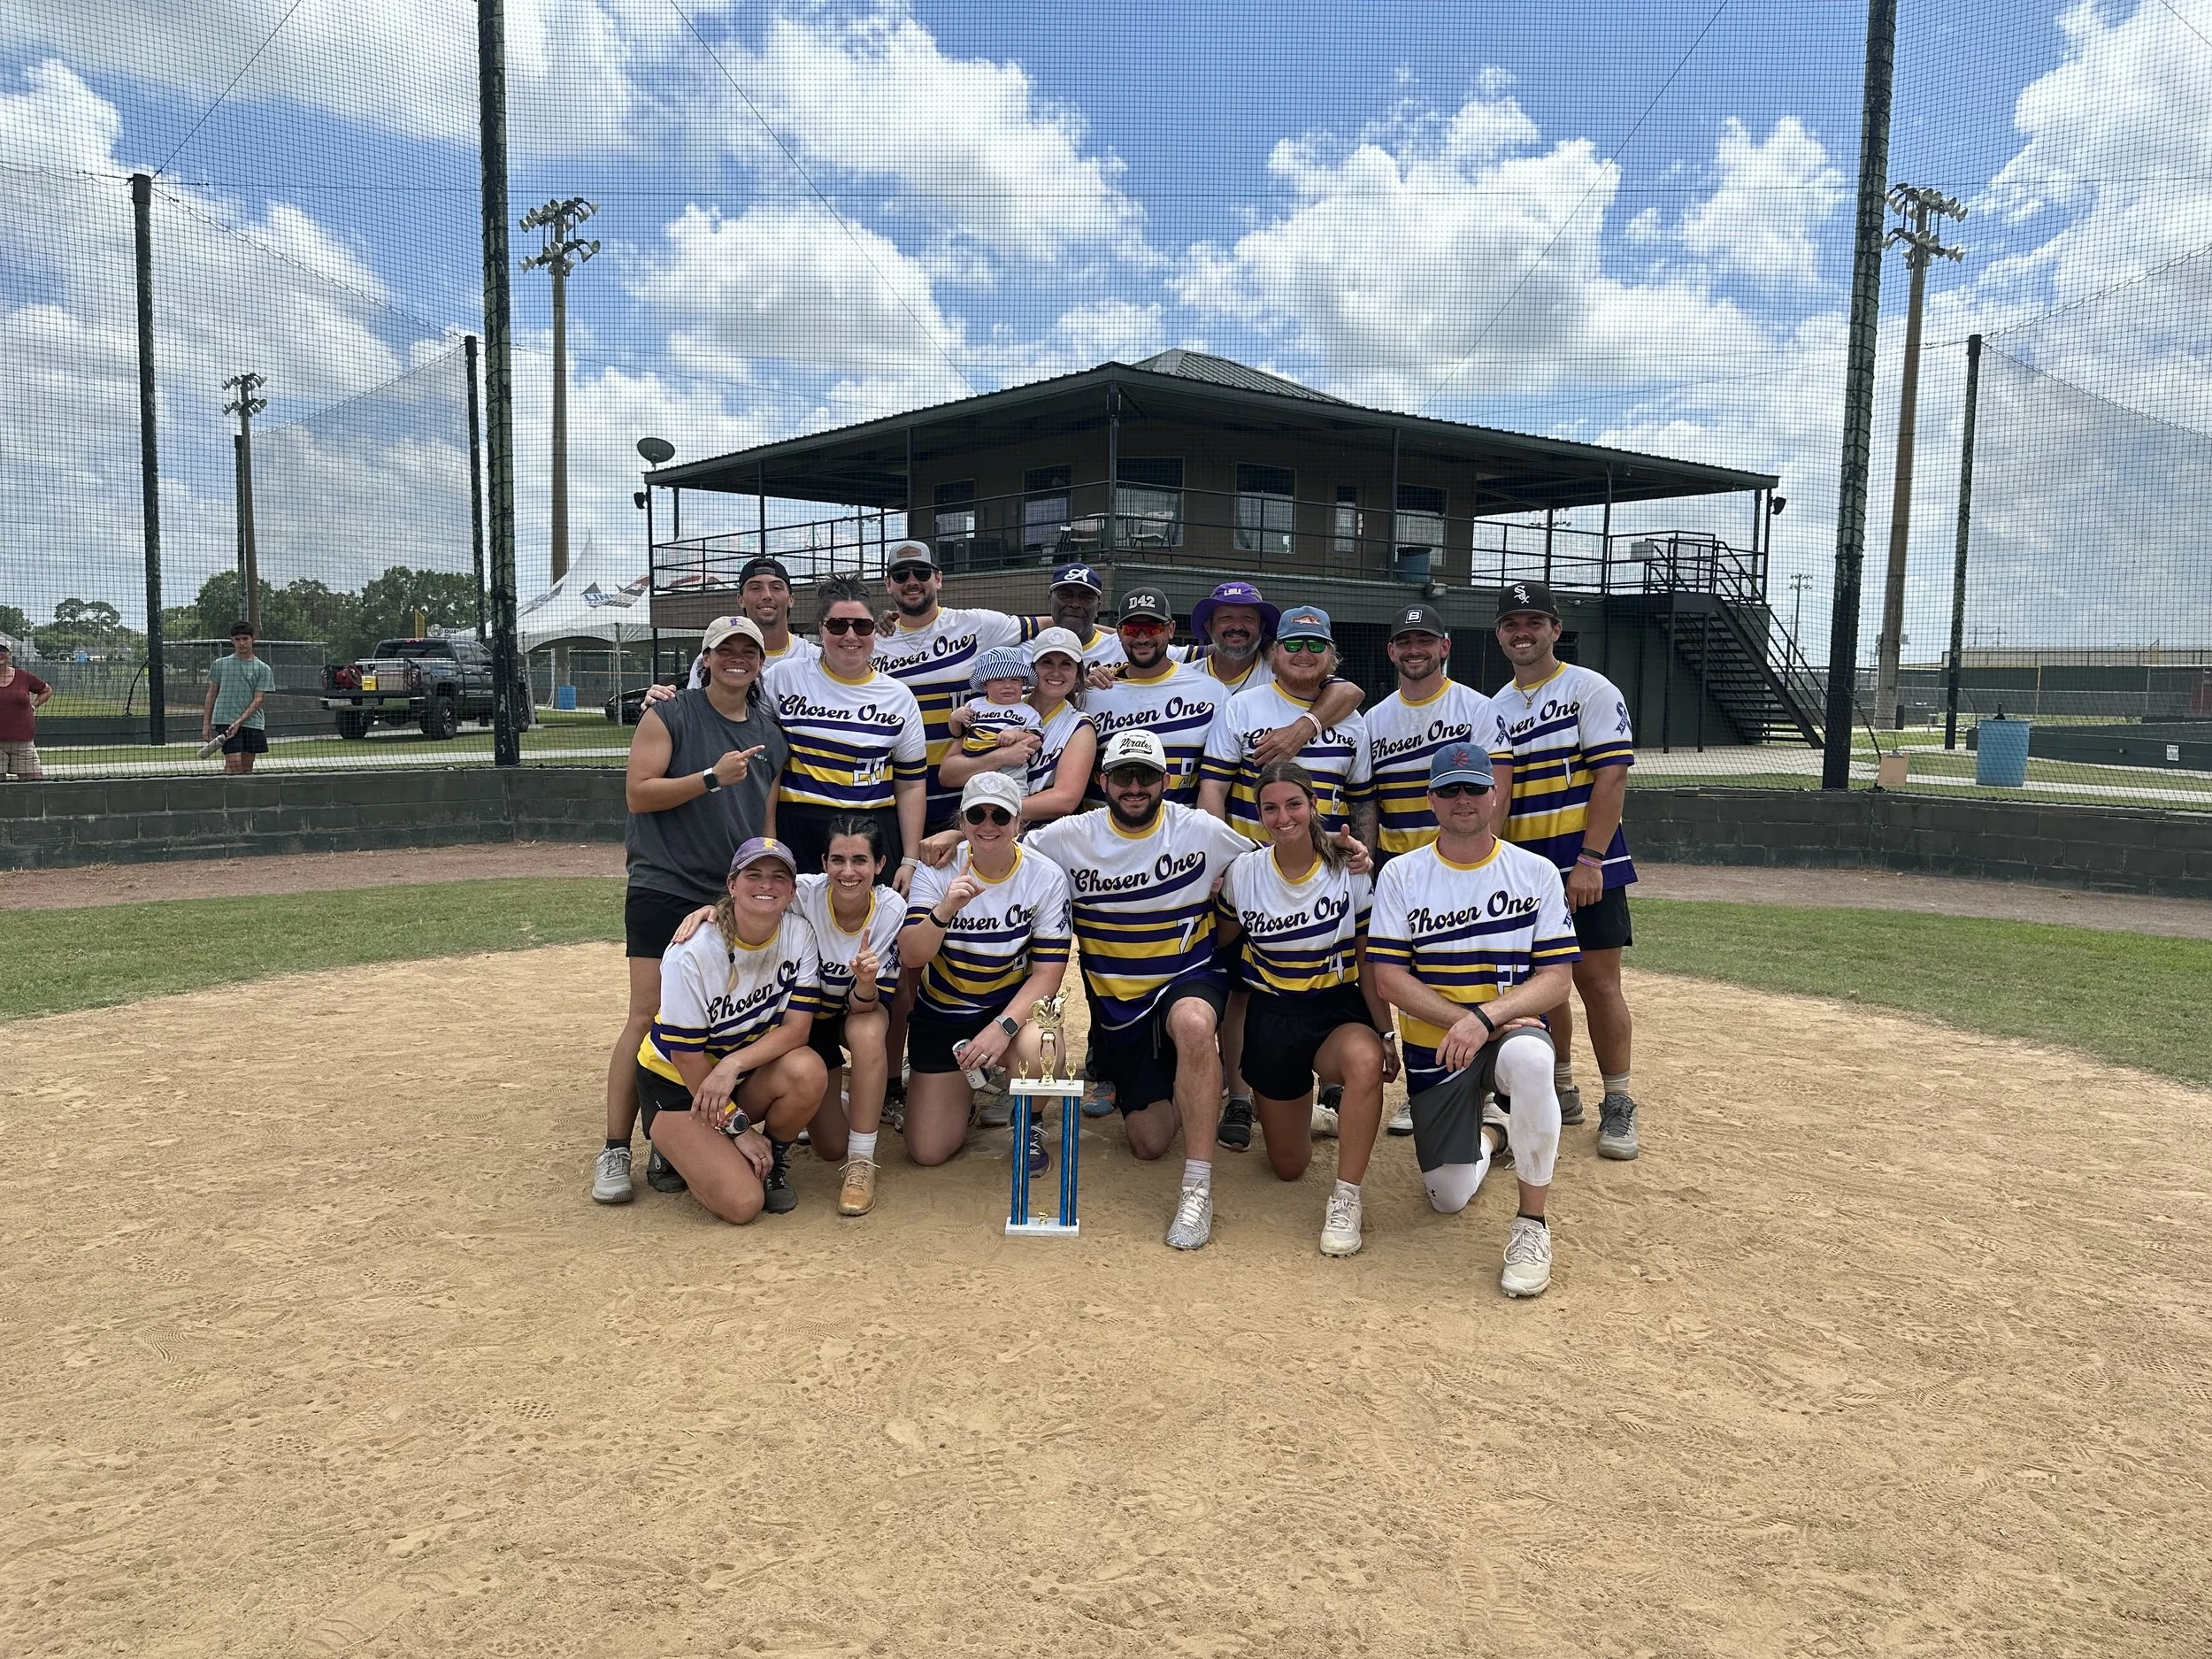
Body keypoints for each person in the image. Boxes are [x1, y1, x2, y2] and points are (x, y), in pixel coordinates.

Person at [1018, 730, 1264, 1250]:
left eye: (1147, 776)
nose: (1135, 787)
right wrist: (953, 838)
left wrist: (1338, 852)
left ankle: (1197, 1186)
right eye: (1124, 775)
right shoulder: (1069, 836)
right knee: (1149, 1143)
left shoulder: (1199, 829)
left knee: (1195, 1025)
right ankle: (1195, 1080)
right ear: (1103, 780)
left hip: (1188, 976)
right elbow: (1003, 855)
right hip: (1121, 1008)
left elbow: (1270, 861)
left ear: (1166, 781)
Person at [1370, 742, 1579, 1299]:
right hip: (1435, 1047)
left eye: (1473, 788)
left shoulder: (1534, 872)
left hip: (1507, 1031)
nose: (1462, 800)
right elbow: (1388, 977)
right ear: (1432, 800)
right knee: (1448, 1196)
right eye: (1449, 789)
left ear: (1494, 794)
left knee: (1536, 1059)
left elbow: (1558, 979)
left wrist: (1486, 1019)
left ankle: (1532, 1225)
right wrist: (1465, 1021)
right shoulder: (1402, 874)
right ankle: (1496, 1132)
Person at [595, 614, 787, 1205]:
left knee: (716, 1015)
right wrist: (710, 777)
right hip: (664, 882)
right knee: (647, 1014)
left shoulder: (768, 732)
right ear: (705, 658)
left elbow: (766, 822)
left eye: (747, 650)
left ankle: (680, 1134)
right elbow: (638, 791)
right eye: (724, 649)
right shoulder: (670, 714)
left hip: (727, 891)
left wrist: (766, 877)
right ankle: (615, 1146)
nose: (736, 658)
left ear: (759, 662)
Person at [1197, 603, 1373, 1151]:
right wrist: (1229, 859)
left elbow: (1363, 797)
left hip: (1324, 870)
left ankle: (1328, 1091)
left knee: (1331, 967)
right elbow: (1214, 790)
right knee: (1245, 989)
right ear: (1273, 653)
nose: (1302, 654)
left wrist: (1368, 851)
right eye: (1292, 644)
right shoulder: (1243, 706)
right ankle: (1240, 1095)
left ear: (1331, 657)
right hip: (1253, 871)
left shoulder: (1351, 717)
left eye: (1314, 645)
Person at [1216, 761, 1399, 1256]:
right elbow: (1223, 939)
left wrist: (1385, 1032)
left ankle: (1346, 1198)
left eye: (1294, 804)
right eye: (1270, 808)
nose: (1283, 816)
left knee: (1363, 1063)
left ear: (1314, 805)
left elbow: (1367, 955)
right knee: (1288, 1167)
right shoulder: (1244, 873)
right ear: (1258, 814)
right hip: (1273, 1015)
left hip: (1335, 1008)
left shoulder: (1348, 869)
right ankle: (1314, 1117)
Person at [1486, 580, 1641, 1159]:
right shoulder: (1496, 705)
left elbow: (1612, 777)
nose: (1522, 632)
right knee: (1543, 986)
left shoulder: (1589, 689)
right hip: (1527, 871)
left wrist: (1591, 858)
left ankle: (1620, 1100)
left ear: (1555, 628)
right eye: (1511, 624)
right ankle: (1562, 1084)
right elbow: (1497, 793)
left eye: (1534, 622)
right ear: (1500, 634)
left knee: (1598, 983)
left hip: (1587, 864)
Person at [632, 837, 831, 1225]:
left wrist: (732, 1065)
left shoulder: (798, 934)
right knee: (743, 1205)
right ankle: (674, 1147)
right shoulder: (691, 951)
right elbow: (686, 1058)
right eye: (753, 874)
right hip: (677, 1083)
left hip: (735, 1071)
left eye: (778, 877)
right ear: (732, 885)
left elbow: (797, 1031)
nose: (766, 884)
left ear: (792, 891)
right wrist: (738, 1129)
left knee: (807, 1069)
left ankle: (770, 1160)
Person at [898, 773, 1072, 1171]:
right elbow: (911, 956)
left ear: (1018, 823)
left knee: (1042, 1043)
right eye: (977, 814)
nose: (988, 825)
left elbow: (1049, 974)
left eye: (1001, 816)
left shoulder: (1044, 876)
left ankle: (1029, 1122)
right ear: (962, 822)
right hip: (944, 1012)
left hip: (1007, 1007)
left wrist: (1002, 1028)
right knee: (927, 1152)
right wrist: (944, 911)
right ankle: (965, 1095)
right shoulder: (938, 869)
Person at [762, 572, 928, 886]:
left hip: (872, 831)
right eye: (838, 625)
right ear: (821, 629)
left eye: (862, 626)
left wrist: (909, 858)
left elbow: (911, 785)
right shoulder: (783, 678)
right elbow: (766, 768)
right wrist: (769, 841)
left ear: (874, 631)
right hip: (798, 826)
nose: (850, 635)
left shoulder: (898, 696)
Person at [869, 539, 1037, 832]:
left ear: (938, 578)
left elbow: (1058, 626)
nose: (912, 582)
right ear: (888, 584)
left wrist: (1120, 639)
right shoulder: (872, 640)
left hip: (969, 797)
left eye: (921, 573)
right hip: (898, 799)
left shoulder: (976, 625)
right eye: (901, 576)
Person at [790, 818, 904, 1217]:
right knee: (827, 1147)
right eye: (837, 859)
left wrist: (867, 981)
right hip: (807, 1021)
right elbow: (749, 898)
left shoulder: (890, 908)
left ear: (879, 864)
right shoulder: (802, 894)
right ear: (823, 862)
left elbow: (863, 1005)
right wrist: (708, 912)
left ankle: (861, 1162)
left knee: (869, 1030)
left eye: (860, 860)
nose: (848, 871)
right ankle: (842, 1100)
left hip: (856, 1009)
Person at [1364, 603, 1507, 867]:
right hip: (1395, 864)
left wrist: (1484, 864)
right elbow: (1369, 801)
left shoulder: (1478, 708)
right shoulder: (1373, 719)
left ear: (1444, 647)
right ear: (1391, 652)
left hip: (1459, 860)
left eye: (1425, 640)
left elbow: (1498, 794)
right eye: (1404, 642)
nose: (1414, 650)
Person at [935, 626, 1097, 829]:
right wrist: (1002, 757)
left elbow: (1064, 800)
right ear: (1032, 669)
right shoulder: (996, 704)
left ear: (1077, 674)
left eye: (1066, 664)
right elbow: (948, 774)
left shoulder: (1078, 726)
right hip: (986, 831)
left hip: (1040, 834)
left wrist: (990, 812)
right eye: (1047, 662)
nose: (1056, 672)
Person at [1079, 589, 1231, 806]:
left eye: (1153, 628)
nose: (1142, 637)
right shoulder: (1093, 694)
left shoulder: (1211, 692)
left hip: (1180, 832)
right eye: (1133, 629)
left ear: (1170, 630)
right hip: (1103, 832)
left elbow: (1219, 781)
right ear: (1120, 633)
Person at [683, 560, 819, 687]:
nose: (767, 595)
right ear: (741, 600)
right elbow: (691, 709)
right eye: (755, 588)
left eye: (776, 588)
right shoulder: (714, 659)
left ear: (791, 599)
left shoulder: (815, 658)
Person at [956, 645, 1042, 787]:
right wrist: (955, 718)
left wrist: (1016, 735)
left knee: (1013, 804)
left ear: (1023, 683)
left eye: (1015, 679)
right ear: (985, 685)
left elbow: (1037, 741)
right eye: (999, 680)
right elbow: (958, 733)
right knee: (975, 805)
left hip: (1012, 771)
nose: (1008, 685)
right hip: (975, 770)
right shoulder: (974, 705)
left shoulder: (1028, 711)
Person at [202, 620, 274, 773]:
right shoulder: (220, 664)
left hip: (253, 722)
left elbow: (259, 699)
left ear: (253, 639)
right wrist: (206, 723)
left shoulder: (263, 668)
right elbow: (212, 693)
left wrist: (240, 721)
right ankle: (228, 796)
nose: (242, 643)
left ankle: (241, 797)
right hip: (225, 720)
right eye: (237, 639)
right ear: (232, 641)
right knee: (234, 763)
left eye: (245, 639)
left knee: (246, 768)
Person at [0, 641, 53, 781]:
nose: (0, 653)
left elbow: (46, 690)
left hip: (23, 743)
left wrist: (34, 706)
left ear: (9, 654)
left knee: (35, 782)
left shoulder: (23, 676)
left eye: (3, 650)